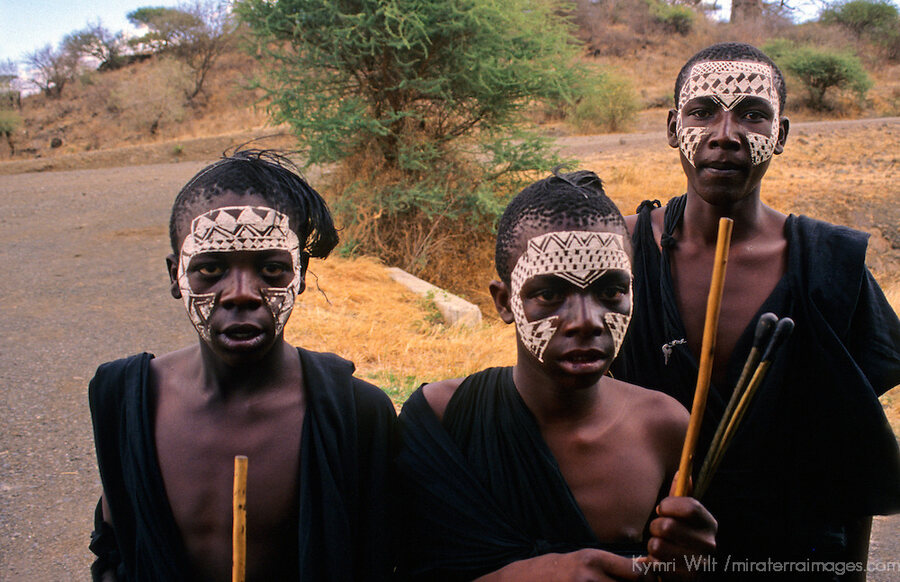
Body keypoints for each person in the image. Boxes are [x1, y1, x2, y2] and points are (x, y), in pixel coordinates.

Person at [611, 42, 900, 580]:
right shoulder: (617, 253)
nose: (726, 135)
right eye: (702, 112)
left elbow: (851, 450)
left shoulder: (830, 264)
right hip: (643, 558)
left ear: (781, 135)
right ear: (673, 128)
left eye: (752, 114)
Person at [394, 170, 717, 582]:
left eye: (611, 292)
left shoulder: (664, 427)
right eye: (549, 294)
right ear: (504, 301)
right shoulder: (441, 420)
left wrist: (693, 563)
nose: (586, 322)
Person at [88, 150, 397, 581]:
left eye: (271, 268)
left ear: (300, 274)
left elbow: (377, 558)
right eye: (210, 269)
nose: (241, 293)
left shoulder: (356, 414)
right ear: (175, 276)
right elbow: (117, 547)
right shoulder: (126, 400)